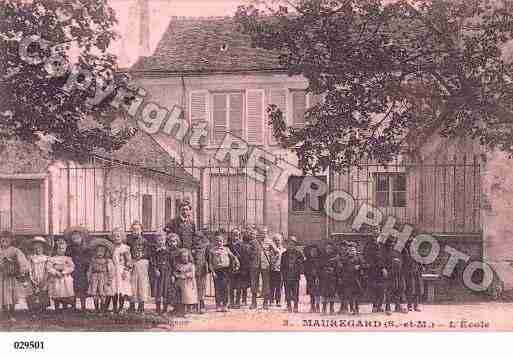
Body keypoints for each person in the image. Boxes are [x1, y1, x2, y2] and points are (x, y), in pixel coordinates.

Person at [0, 231, 29, 320]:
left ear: (11, 240)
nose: (4, 240)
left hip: (12, 277)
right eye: (2, 238)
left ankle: (12, 313)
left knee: (12, 295)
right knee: (3, 295)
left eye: (7, 238)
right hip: (2, 277)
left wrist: (18, 269)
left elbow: (23, 262)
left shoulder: (15, 250)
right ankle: (5, 313)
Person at [209, 232, 240, 312]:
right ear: (215, 242)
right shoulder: (212, 250)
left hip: (225, 270)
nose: (219, 243)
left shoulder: (226, 249)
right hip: (217, 271)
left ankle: (225, 304)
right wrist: (213, 272)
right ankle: (218, 304)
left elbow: (233, 257)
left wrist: (236, 262)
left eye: (221, 241)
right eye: (217, 241)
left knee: (225, 288)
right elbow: (210, 263)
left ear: (223, 242)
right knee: (217, 288)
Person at [149, 231, 176, 315]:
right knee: (158, 291)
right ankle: (158, 308)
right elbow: (152, 261)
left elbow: (172, 263)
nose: (161, 242)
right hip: (158, 274)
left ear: (165, 240)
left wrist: (172, 274)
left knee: (165, 291)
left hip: (167, 272)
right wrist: (155, 269)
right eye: (159, 240)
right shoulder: (154, 251)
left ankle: (165, 309)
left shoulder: (168, 251)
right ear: (156, 241)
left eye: (162, 240)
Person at [65, 226, 90, 312]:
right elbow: (66, 258)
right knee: (73, 289)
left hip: (82, 271)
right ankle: (73, 306)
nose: (76, 239)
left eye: (78, 238)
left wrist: (85, 265)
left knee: (82, 289)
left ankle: (83, 306)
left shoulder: (85, 249)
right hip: (73, 271)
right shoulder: (69, 249)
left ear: (81, 238)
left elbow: (88, 260)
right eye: (74, 238)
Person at [246, 226, 273, 310]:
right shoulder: (253, 242)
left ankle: (265, 303)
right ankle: (254, 302)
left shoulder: (269, 242)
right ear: (259, 233)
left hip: (265, 265)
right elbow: (248, 253)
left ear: (267, 233)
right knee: (254, 283)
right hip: (255, 265)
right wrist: (252, 259)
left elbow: (276, 252)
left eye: (265, 232)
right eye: (261, 232)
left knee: (266, 284)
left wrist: (271, 259)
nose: (263, 234)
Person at [47, 238, 75, 313]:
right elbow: (49, 268)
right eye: (59, 248)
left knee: (65, 293)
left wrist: (65, 272)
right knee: (57, 293)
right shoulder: (52, 259)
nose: (61, 250)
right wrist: (55, 272)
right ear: (56, 249)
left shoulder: (68, 258)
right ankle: (57, 308)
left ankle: (64, 308)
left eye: (63, 248)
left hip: (65, 278)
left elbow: (72, 267)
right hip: (56, 278)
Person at [87, 239, 114, 313]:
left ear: (105, 252)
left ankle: (102, 309)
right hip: (94, 278)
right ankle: (96, 308)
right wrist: (89, 278)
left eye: (102, 251)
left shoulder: (107, 261)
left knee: (103, 294)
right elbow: (89, 270)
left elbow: (111, 271)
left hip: (103, 278)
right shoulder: (93, 260)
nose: (100, 253)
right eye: (98, 251)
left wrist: (109, 280)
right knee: (94, 294)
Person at [338, 244, 366, 315]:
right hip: (348, 279)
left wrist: (359, 266)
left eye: (353, 250)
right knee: (349, 294)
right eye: (350, 250)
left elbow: (364, 265)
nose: (351, 252)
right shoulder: (345, 258)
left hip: (357, 279)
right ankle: (351, 308)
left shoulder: (359, 258)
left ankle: (356, 308)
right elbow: (341, 268)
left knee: (356, 294)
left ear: (356, 251)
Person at [110, 228, 133, 314]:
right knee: (114, 289)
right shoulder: (111, 248)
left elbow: (129, 261)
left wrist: (126, 271)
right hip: (114, 271)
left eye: (118, 236)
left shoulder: (125, 248)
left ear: (122, 237)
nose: (116, 238)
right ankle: (115, 308)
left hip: (122, 270)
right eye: (114, 236)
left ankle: (121, 307)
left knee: (122, 290)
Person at [383, 238, 408, 314]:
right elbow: (382, 261)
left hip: (399, 273)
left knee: (401, 288)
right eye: (392, 243)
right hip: (390, 272)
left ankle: (398, 306)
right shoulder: (386, 251)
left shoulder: (401, 251)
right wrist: (384, 269)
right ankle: (388, 308)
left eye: (395, 243)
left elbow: (406, 260)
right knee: (390, 289)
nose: (393, 244)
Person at [280, 236, 304, 313]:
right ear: (287, 244)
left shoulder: (298, 253)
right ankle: (289, 305)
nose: (291, 245)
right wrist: (283, 275)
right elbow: (282, 266)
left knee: (295, 292)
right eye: (290, 244)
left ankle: (296, 306)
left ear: (295, 245)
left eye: (293, 244)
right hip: (287, 276)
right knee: (287, 292)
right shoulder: (284, 254)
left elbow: (302, 263)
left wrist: (299, 270)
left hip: (295, 276)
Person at [27, 236, 50, 314]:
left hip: (43, 277)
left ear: (43, 248)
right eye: (36, 247)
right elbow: (29, 269)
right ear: (33, 247)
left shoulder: (46, 258)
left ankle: (43, 308)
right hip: (34, 277)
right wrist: (32, 279)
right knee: (33, 292)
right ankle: (34, 309)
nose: (38, 249)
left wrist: (45, 279)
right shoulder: (31, 258)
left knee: (43, 291)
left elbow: (47, 269)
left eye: (40, 247)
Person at [228, 228, 250, 309]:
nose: (235, 236)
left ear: (239, 235)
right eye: (233, 234)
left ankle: (237, 302)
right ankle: (231, 302)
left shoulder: (242, 245)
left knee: (238, 286)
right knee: (230, 286)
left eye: (237, 234)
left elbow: (245, 258)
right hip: (230, 268)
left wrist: (244, 269)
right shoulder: (228, 245)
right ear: (231, 235)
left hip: (240, 268)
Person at [128, 244, 151, 314]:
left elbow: (149, 271)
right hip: (133, 279)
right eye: (135, 253)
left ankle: (141, 308)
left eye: (139, 252)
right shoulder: (131, 261)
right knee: (132, 292)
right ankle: (132, 307)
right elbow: (128, 269)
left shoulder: (146, 261)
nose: (137, 254)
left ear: (143, 253)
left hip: (143, 280)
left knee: (142, 292)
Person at [174, 249, 198, 315]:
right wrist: (177, 275)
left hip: (189, 283)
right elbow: (175, 272)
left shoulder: (191, 265)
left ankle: (189, 310)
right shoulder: (179, 265)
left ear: (188, 257)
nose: (184, 258)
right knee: (182, 297)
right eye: (183, 257)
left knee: (189, 296)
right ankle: (182, 310)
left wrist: (185, 275)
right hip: (181, 283)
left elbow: (192, 274)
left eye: (186, 257)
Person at [402, 239, 424, 312]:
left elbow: (420, 261)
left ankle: (416, 306)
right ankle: (409, 305)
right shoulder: (405, 250)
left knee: (418, 289)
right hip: (409, 272)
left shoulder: (416, 252)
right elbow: (404, 261)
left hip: (416, 272)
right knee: (410, 289)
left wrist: (421, 267)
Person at [191, 231, 210, 314]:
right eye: (195, 237)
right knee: (193, 287)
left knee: (202, 286)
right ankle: (194, 304)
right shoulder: (191, 247)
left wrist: (208, 268)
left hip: (202, 268)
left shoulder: (205, 246)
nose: (197, 240)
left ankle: (202, 304)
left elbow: (208, 257)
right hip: (193, 269)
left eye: (199, 238)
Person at [320, 243, 339, 315]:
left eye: (330, 248)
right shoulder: (322, 257)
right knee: (324, 294)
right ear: (325, 249)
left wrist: (333, 271)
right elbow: (320, 267)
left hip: (332, 278)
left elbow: (337, 268)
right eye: (327, 248)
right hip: (324, 278)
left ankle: (331, 308)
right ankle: (324, 308)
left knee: (332, 293)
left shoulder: (335, 257)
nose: (328, 249)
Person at [303, 244, 322, 313]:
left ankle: (317, 306)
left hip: (318, 279)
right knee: (312, 293)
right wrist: (309, 275)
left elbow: (321, 269)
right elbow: (305, 271)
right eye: (312, 251)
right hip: (310, 279)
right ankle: (312, 306)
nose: (313, 252)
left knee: (318, 293)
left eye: (315, 251)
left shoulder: (320, 260)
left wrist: (318, 274)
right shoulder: (307, 261)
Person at [269, 233, 285, 307]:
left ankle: (278, 301)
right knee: (272, 286)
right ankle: (271, 300)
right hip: (272, 269)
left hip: (280, 270)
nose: (277, 242)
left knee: (279, 286)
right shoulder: (271, 250)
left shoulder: (284, 250)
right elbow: (271, 260)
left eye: (278, 240)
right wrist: (276, 254)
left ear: (281, 241)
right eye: (275, 240)